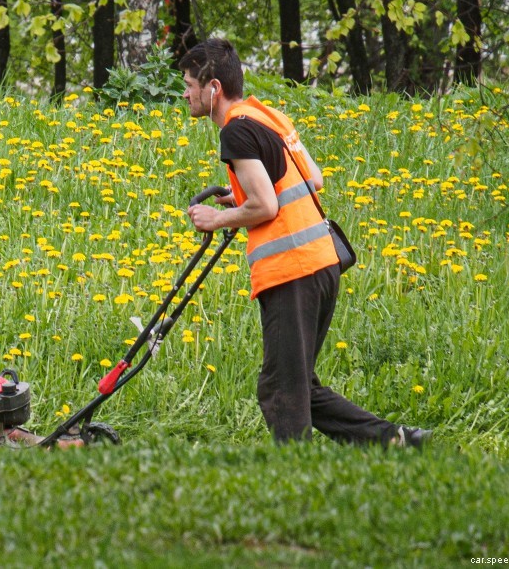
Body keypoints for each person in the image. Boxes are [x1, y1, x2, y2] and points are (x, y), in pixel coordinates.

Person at [180, 38, 431, 448]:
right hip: (322, 263)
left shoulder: (235, 132)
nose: (186, 93)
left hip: (290, 269)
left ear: (214, 89)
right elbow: (310, 177)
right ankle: (396, 441)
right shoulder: (268, 116)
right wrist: (240, 195)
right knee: (299, 385)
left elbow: (266, 205)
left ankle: (295, 476)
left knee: (281, 390)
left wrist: (217, 217)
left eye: (190, 84)